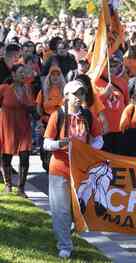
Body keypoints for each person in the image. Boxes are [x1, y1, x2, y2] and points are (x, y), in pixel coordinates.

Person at [43, 80, 103, 258]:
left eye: (81, 94)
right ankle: (65, 246)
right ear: (66, 96)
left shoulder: (88, 115)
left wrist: (91, 149)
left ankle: (68, 228)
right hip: (60, 169)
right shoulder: (58, 115)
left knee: (77, 208)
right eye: (75, 94)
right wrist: (59, 144)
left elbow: (99, 139)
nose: (78, 97)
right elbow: (46, 143)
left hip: (81, 170)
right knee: (60, 209)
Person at [0, 64, 35, 195]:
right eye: (20, 72)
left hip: (23, 126)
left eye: (24, 73)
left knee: (25, 156)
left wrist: (34, 112)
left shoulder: (27, 89)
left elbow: (32, 107)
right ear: (13, 74)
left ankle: (21, 188)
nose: (22, 75)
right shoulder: (4, 89)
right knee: (6, 156)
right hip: (7, 126)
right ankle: (8, 185)